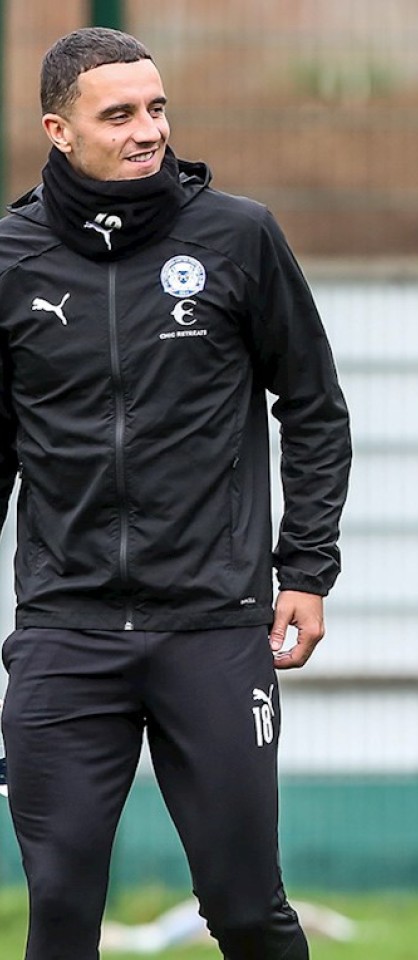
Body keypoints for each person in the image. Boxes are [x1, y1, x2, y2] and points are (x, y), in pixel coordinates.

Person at [0, 28, 350, 959]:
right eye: (119, 114)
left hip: (213, 625)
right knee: (59, 908)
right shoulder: (10, 257)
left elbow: (314, 407)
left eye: (157, 108)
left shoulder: (238, 236)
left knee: (244, 909)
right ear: (59, 130)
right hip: (65, 630)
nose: (149, 129)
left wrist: (306, 569)